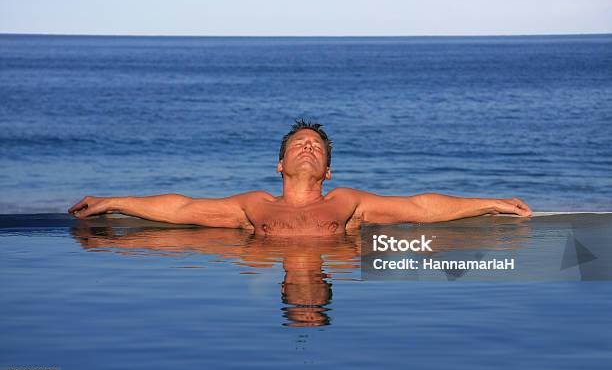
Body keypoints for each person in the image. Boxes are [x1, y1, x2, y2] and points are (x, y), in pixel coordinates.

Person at [68, 120, 532, 236]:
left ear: (328, 169)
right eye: (298, 144)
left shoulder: (347, 201)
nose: (307, 146)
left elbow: (420, 208)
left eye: (316, 146)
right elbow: (183, 208)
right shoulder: (255, 206)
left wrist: (489, 202)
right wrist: (112, 201)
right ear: (280, 165)